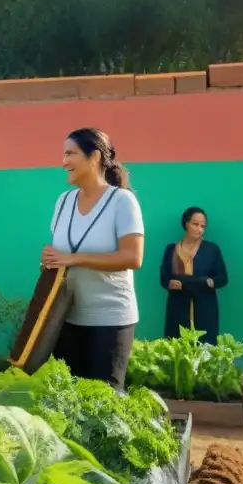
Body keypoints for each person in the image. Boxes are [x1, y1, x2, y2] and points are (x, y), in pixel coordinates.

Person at [41, 127, 145, 390]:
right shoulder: (63, 202)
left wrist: (72, 259)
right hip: (67, 319)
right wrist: (52, 259)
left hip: (109, 321)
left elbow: (133, 257)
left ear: (95, 157)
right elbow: (63, 255)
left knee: (105, 405)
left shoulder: (122, 201)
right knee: (70, 402)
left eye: (70, 153)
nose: (63, 162)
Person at [160, 206, 228, 344]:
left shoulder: (211, 249)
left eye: (203, 226)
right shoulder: (171, 250)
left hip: (204, 305)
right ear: (186, 223)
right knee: (177, 344)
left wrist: (210, 282)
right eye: (195, 224)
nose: (199, 229)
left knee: (205, 345)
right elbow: (164, 277)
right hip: (178, 305)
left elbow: (222, 278)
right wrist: (170, 283)